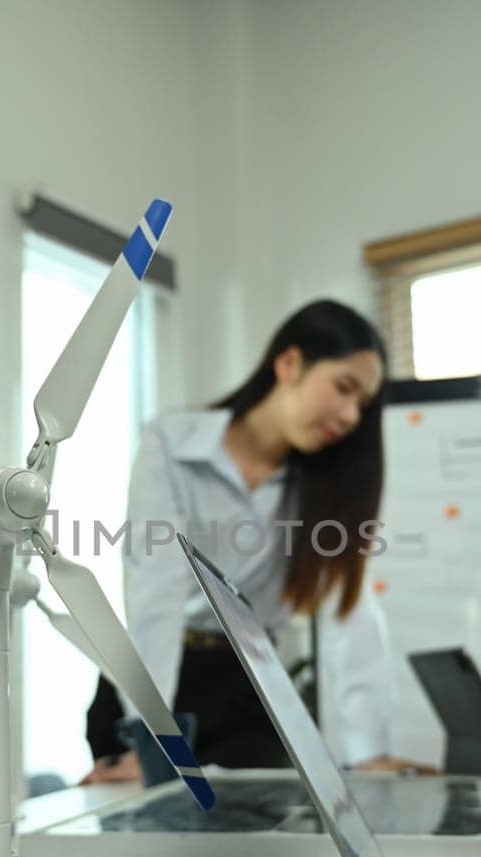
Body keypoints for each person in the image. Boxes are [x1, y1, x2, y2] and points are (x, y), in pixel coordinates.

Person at [80, 299, 407, 783]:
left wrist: (367, 753)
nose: (351, 415)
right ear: (290, 363)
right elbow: (156, 590)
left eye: (363, 404)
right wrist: (151, 739)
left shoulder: (327, 486)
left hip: (249, 684)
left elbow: (349, 609)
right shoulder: (172, 443)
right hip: (151, 678)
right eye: (344, 389)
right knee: (137, 829)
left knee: (252, 833)